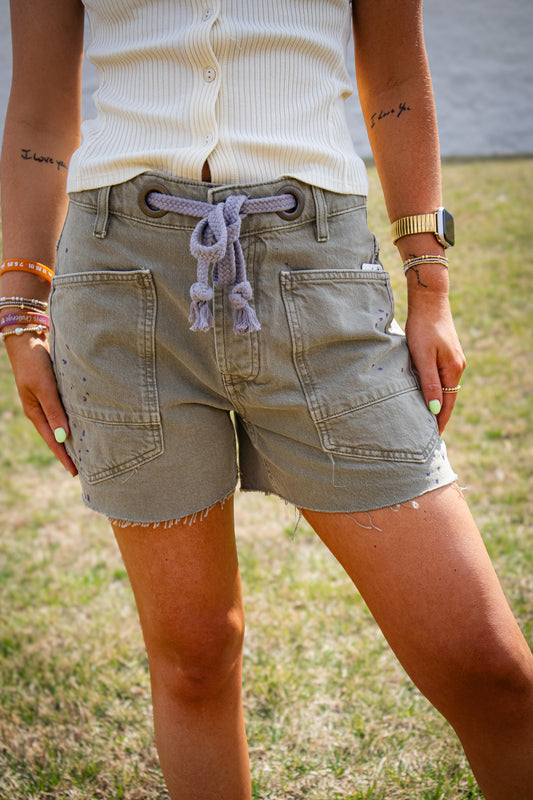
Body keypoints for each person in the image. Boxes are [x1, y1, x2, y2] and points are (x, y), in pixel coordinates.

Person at [1, 1, 532, 798]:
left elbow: (392, 74)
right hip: (119, 288)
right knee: (193, 657)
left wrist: (429, 280)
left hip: (314, 275)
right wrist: (19, 314)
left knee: (486, 670)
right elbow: (40, 110)